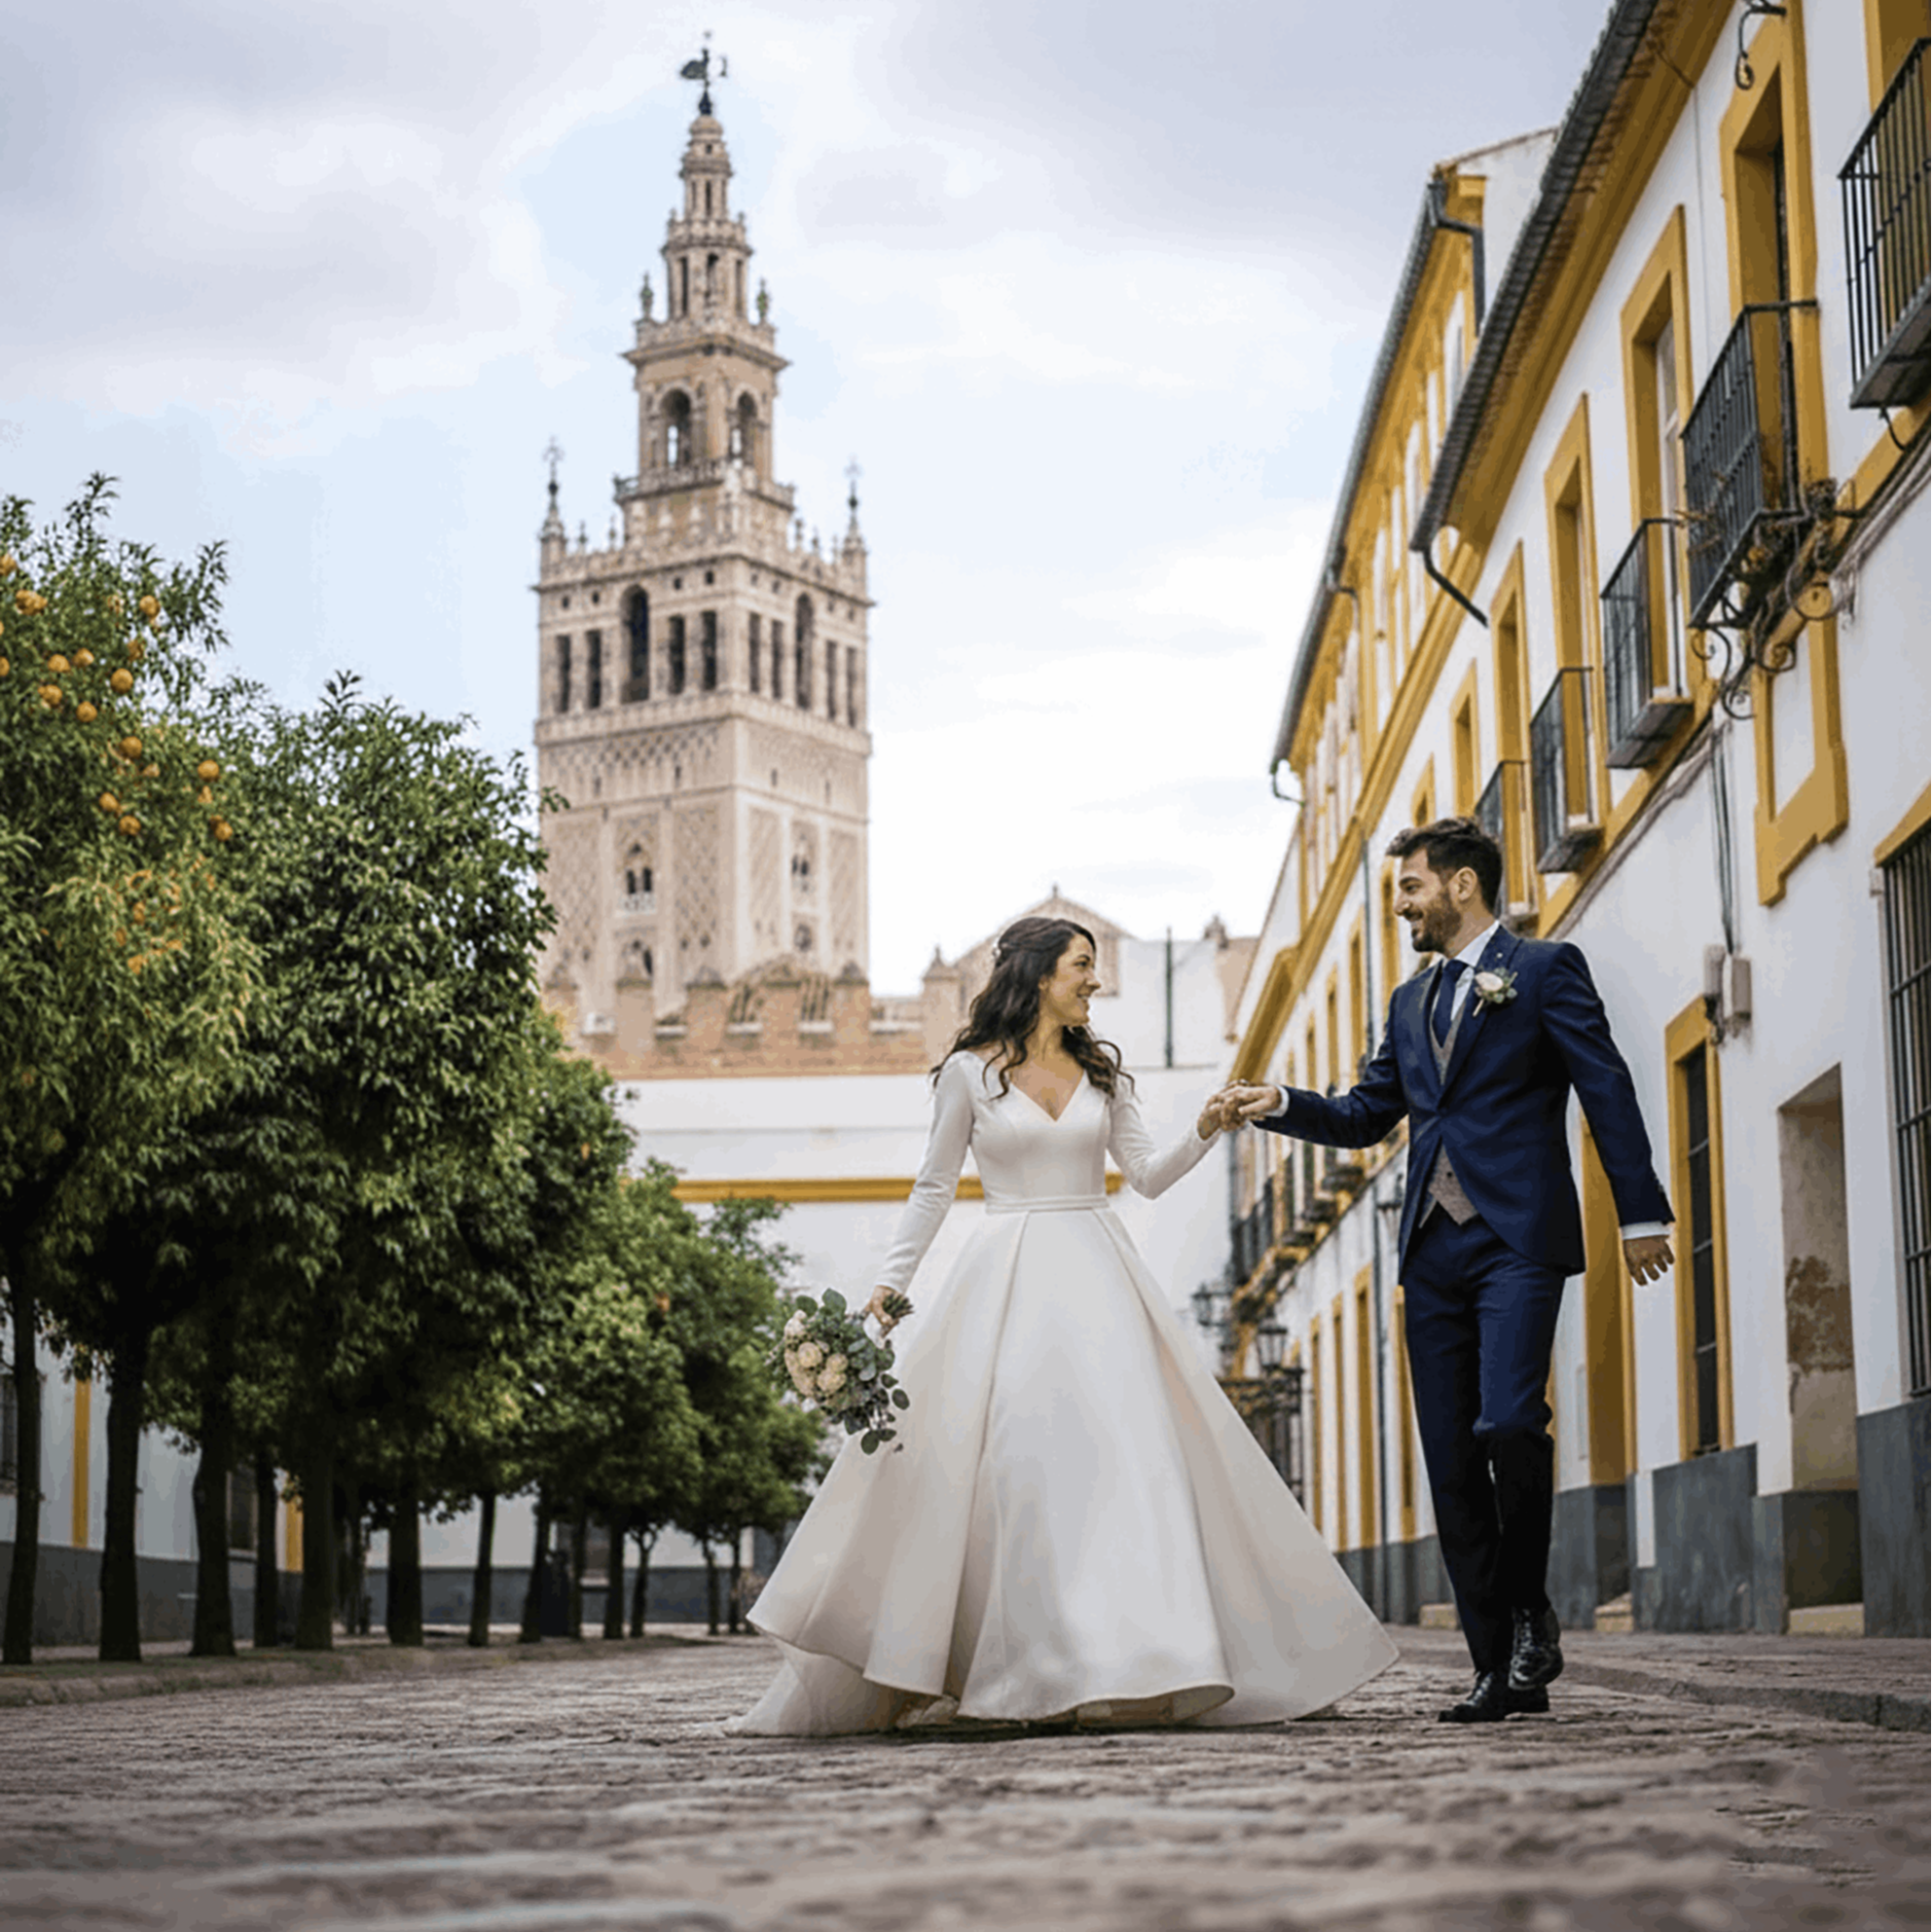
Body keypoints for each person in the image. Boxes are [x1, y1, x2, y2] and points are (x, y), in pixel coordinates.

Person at [731, 915, 1398, 1735]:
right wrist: (884, 1288)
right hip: (1004, 1276)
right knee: (1012, 1464)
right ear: (1041, 974)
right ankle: (1012, 1670)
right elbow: (933, 1188)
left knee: (1120, 1465)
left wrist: (1207, 1126)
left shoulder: (1103, 1076)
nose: (1095, 980)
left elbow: (1146, 1177)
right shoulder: (968, 1075)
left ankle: (1122, 1662)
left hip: (1098, 1272)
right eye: (1083, 966)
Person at [1220, 818, 1673, 1723]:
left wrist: (1640, 1209)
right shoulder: (1405, 1002)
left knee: (1508, 1419)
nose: (1402, 907)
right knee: (1453, 1460)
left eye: (1411, 889)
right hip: (1430, 1248)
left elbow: (1604, 1082)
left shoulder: (1543, 971)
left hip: (1515, 1235)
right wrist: (1280, 1104)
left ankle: (1529, 1611)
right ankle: (1495, 1665)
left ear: (1461, 885)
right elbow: (1363, 1113)